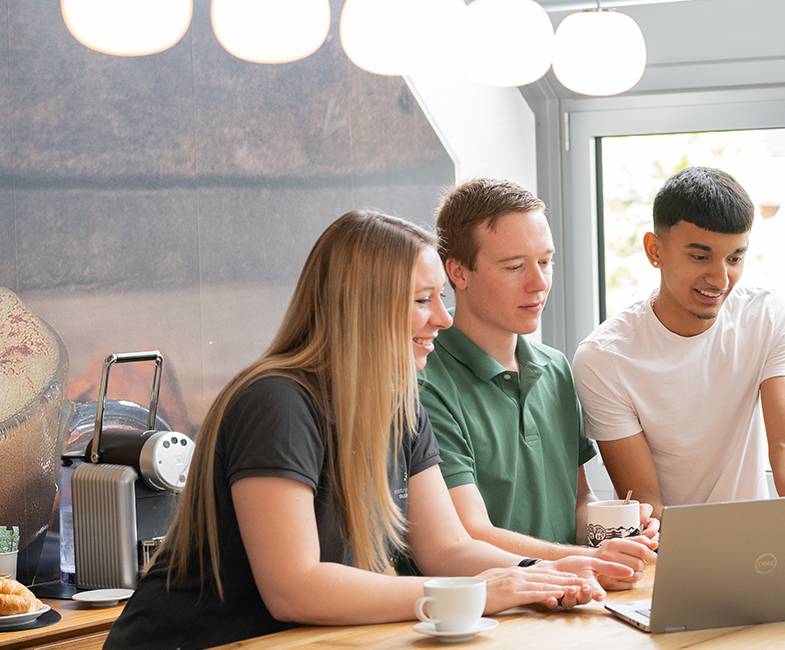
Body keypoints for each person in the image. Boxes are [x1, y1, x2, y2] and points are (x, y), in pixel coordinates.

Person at [106, 210, 631, 649]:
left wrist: (549, 573)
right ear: (362, 306)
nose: (443, 320)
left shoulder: (402, 405)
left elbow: (446, 548)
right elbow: (295, 586)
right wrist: (480, 591)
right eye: (423, 300)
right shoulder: (277, 401)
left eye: (440, 298)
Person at [420, 179, 658, 591]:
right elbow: (467, 533)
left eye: (545, 262)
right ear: (457, 272)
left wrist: (618, 537)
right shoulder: (426, 379)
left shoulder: (555, 368)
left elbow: (578, 501)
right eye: (515, 266)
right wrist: (590, 559)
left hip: (566, 596)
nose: (539, 283)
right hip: (479, 610)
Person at [574, 167, 785, 518]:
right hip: (668, 551)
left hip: (761, 547)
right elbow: (646, 500)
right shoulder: (603, 358)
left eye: (735, 258)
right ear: (654, 250)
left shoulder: (766, 316)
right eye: (700, 256)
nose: (721, 279)